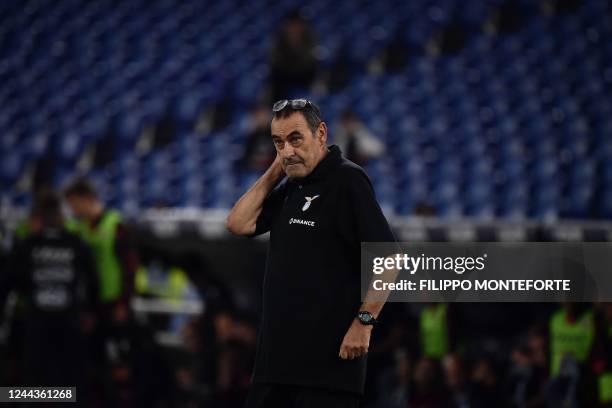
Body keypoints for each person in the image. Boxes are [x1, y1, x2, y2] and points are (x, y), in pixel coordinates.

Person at [226, 98, 396, 407]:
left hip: (326, 371)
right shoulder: (292, 184)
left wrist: (364, 322)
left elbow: (390, 258)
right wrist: (277, 170)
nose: (287, 149)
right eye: (278, 142)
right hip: (275, 366)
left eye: (295, 139)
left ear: (320, 134)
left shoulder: (348, 179)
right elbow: (238, 223)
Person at [0, 189, 98, 392]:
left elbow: (8, 283)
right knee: (70, 381)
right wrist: (91, 311)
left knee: (34, 382)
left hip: (37, 323)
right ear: (61, 216)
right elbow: (93, 281)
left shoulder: (27, 244)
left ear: (39, 216)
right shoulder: (76, 243)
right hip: (68, 322)